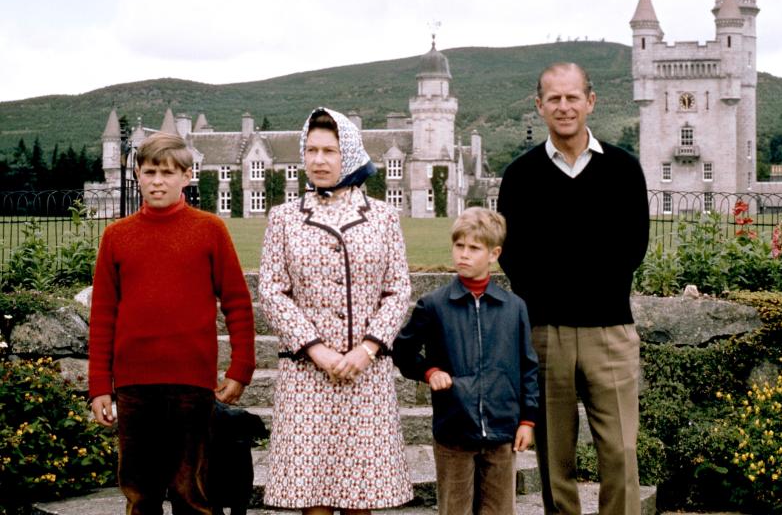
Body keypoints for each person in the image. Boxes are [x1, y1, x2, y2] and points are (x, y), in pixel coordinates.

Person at [497, 63, 650, 515]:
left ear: (591, 101)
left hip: (610, 331)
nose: (564, 107)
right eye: (554, 99)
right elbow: (512, 254)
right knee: (554, 461)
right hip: (546, 333)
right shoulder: (521, 175)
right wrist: (548, 297)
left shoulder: (623, 169)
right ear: (539, 105)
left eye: (572, 97)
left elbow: (632, 246)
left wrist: (582, 283)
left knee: (620, 451)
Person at [88, 132, 257, 515]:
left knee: (190, 492)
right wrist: (100, 385)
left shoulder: (210, 230)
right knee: (140, 492)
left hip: (191, 384)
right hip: (133, 386)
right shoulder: (117, 236)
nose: (158, 181)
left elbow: (237, 303)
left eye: (168, 172)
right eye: (150, 172)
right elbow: (103, 315)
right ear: (137, 175)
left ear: (187, 175)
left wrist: (241, 368)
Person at [259, 107, 413, 515]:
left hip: (366, 374)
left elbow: (398, 290)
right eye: (311, 150)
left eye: (330, 150)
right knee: (313, 495)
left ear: (349, 153)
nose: (319, 160)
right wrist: (316, 349)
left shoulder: (382, 216)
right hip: (308, 375)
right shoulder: (284, 218)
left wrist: (365, 350)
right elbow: (273, 291)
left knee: (363, 494)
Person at [393, 207, 540, 515]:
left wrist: (527, 420)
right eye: (459, 246)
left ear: (493, 253)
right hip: (454, 430)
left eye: (474, 248)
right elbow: (402, 351)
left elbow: (528, 367)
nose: (464, 254)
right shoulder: (433, 305)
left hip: (502, 431)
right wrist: (429, 371)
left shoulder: (514, 308)